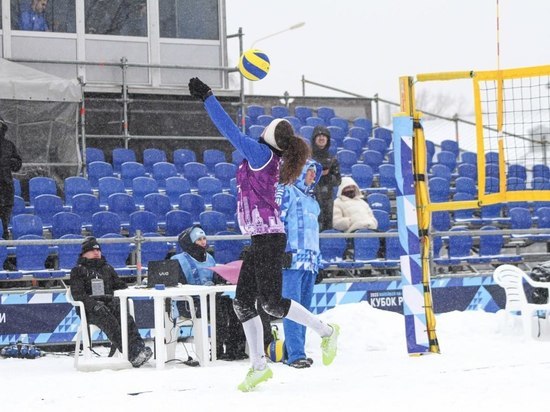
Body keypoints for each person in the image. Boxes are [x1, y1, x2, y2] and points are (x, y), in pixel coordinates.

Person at [188, 77, 340, 392]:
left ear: (268, 136)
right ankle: (259, 367)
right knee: (243, 304)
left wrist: (208, 98)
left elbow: (228, 129)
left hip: (270, 238)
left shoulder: (261, 155)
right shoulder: (268, 157)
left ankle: (326, 332)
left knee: (271, 303)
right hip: (260, 238)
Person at [69, 236, 152, 368]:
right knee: (110, 321)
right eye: (92, 250)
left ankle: (139, 349)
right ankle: (131, 354)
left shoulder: (107, 268)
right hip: (90, 309)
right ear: (84, 253)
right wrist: (94, 305)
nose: (96, 252)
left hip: (108, 304)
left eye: (98, 250)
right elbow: (78, 295)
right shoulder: (77, 270)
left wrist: (137, 285)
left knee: (126, 318)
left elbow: (118, 285)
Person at [171, 225, 248, 360]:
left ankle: (235, 348)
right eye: (199, 239)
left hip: (210, 298)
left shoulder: (210, 258)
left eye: (204, 238)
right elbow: (179, 287)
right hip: (190, 303)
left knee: (237, 306)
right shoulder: (177, 260)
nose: (203, 242)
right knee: (217, 309)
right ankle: (217, 349)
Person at [276, 159, 323, 368]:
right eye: (309, 171)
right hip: (292, 260)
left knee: (304, 310)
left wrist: (318, 262)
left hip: (310, 263)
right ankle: (296, 355)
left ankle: (294, 351)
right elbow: (276, 220)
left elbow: (315, 235)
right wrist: (281, 250)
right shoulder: (286, 191)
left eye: (314, 172)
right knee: (292, 308)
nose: (313, 176)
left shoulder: (313, 202)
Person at [310, 126, 341, 232]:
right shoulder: (307, 158)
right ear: (314, 139)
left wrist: (327, 176)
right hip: (311, 198)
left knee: (327, 229)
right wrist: (316, 174)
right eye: (319, 136)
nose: (322, 138)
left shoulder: (332, 159)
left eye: (324, 136)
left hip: (327, 199)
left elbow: (338, 180)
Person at [0, 118, 22, 240]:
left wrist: (13, 162)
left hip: (6, 184)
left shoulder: (9, 145)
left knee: (6, 211)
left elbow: (18, 164)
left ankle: (5, 235)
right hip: (5, 184)